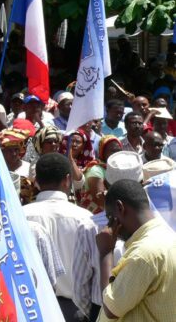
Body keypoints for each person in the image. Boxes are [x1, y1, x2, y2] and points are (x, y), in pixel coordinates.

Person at [22, 153, 92, 320]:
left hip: (31, 309)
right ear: (68, 179)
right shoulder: (85, 218)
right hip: (76, 310)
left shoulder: (20, 216)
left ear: (36, 181)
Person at [96, 179, 176, 321]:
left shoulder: (143, 254)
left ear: (120, 208)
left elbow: (111, 309)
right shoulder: (168, 236)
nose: (109, 225)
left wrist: (105, 253)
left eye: (110, 217)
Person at [80, 136, 123, 214]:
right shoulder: (96, 170)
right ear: (103, 152)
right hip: (97, 216)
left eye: (119, 151)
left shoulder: (120, 169)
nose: (116, 154)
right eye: (113, 151)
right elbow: (100, 201)